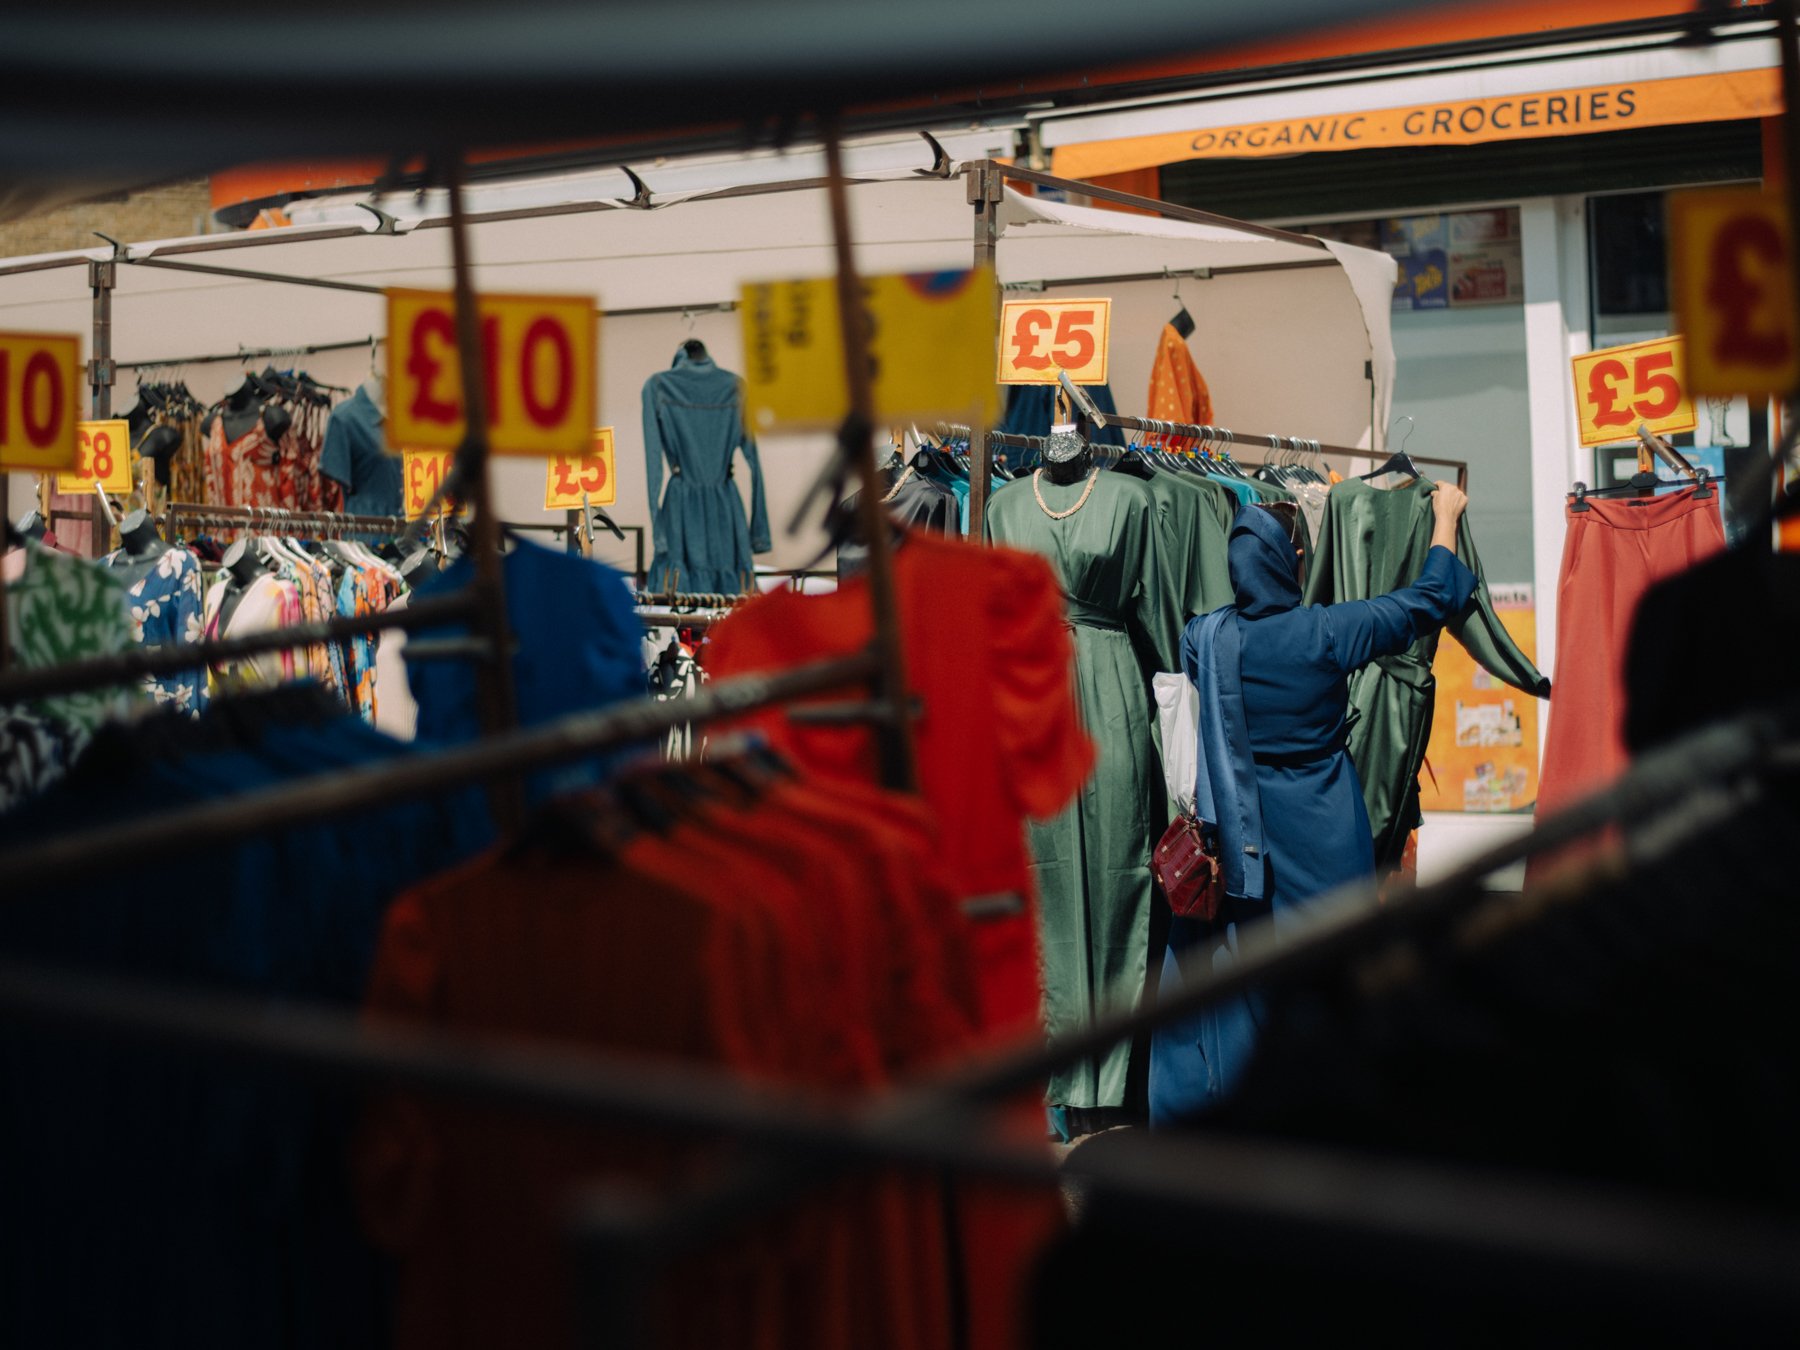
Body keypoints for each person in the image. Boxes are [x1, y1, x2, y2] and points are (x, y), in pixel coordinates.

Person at [1149, 482, 1478, 1122]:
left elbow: (1192, 676)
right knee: (1335, 973)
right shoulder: (1325, 632)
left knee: (1249, 979)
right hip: (1326, 836)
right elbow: (1426, 601)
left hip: (1243, 849)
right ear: (1291, 560)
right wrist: (1445, 519)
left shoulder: (1206, 636)